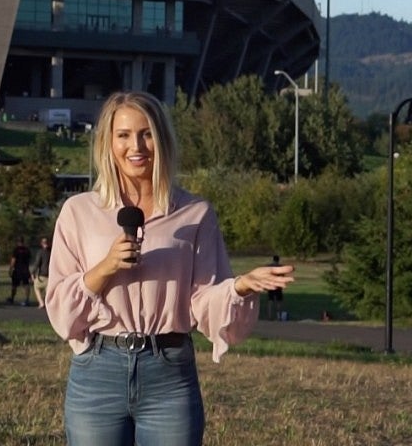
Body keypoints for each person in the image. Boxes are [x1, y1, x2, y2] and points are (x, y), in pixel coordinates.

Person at [46, 90, 294, 445]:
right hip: (98, 372)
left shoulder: (196, 213)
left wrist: (240, 286)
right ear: (108, 142)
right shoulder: (79, 211)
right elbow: (60, 309)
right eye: (124, 135)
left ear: (162, 138)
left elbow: (203, 300)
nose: (137, 146)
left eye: (146, 133)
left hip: (169, 373)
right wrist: (106, 267)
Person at [7, 237, 33, 306]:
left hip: (17, 269)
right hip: (25, 269)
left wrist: (10, 269)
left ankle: (12, 298)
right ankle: (27, 299)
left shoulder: (16, 250)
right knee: (26, 284)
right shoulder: (27, 250)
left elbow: (13, 260)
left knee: (14, 285)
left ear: (18, 242)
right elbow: (29, 259)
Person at [31, 236, 51, 309]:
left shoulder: (40, 252)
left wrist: (33, 273)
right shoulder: (52, 252)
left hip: (42, 274)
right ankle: (48, 304)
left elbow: (37, 263)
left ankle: (41, 302)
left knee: (37, 287)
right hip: (51, 275)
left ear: (42, 244)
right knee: (48, 291)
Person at [266, 255, 285, 321]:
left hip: (271, 284)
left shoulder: (269, 267)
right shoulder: (281, 267)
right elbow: (283, 276)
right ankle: (279, 316)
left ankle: (269, 316)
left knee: (270, 301)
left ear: (273, 259)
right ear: (278, 260)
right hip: (278, 284)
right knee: (279, 301)